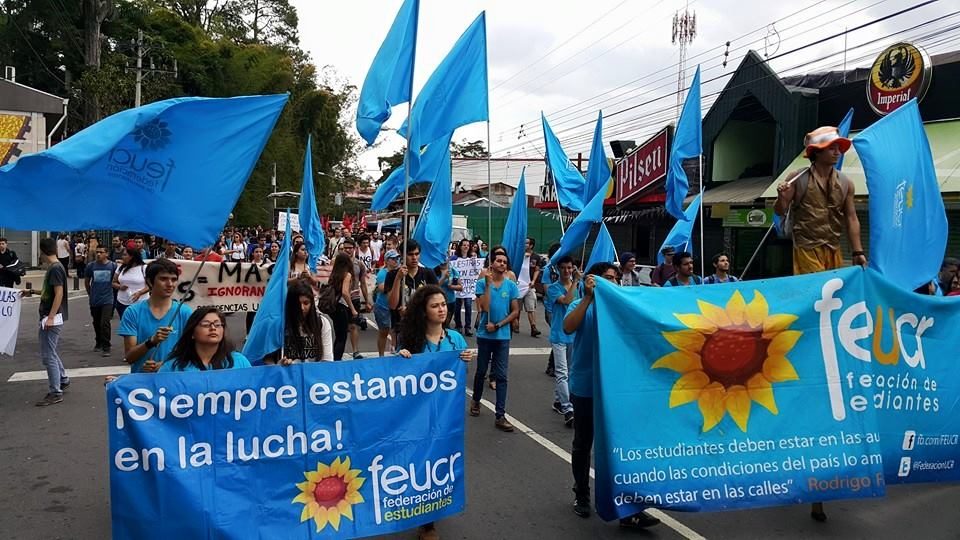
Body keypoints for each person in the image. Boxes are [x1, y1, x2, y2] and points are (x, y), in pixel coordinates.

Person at [563, 261, 661, 529]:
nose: (611, 283)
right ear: (591, 281)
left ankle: (629, 509)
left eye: (615, 279)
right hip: (586, 386)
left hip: (617, 389)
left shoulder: (622, 306)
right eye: (605, 278)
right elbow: (568, 327)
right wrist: (586, 297)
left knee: (621, 448)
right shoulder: (582, 304)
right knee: (584, 443)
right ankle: (582, 494)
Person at [393, 285, 473, 540]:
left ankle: (431, 514)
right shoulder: (411, 341)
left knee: (438, 464)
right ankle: (426, 522)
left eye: (443, 305)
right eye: (435, 305)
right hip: (417, 417)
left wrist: (464, 361)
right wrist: (401, 358)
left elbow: (459, 378)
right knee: (419, 464)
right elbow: (396, 379)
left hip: (446, 417)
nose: (441, 309)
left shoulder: (455, 340)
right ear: (423, 311)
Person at [775, 125, 867, 275]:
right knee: (816, 290)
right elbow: (779, 211)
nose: (838, 152)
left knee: (833, 291)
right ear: (817, 152)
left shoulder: (846, 183)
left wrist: (858, 252)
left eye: (839, 148)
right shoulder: (797, 178)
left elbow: (851, 218)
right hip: (807, 248)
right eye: (832, 148)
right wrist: (781, 197)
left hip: (833, 248)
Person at [469, 250, 520, 432]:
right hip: (485, 335)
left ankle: (500, 415)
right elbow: (484, 307)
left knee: (502, 376)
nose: (502, 264)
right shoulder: (482, 284)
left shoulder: (511, 286)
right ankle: (476, 400)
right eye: (498, 261)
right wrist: (489, 285)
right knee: (481, 370)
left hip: (502, 336)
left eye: (504, 262)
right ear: (492, 264)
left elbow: (515, 311)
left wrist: (498, 325)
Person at [118, 259, 194, 373]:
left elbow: (193, 352)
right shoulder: (133, 312)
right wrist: (151, 342)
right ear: (149, 281)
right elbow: (130, 357)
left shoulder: (185, 312)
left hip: (176, 383)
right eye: (163, 279)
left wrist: (165, 365)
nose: (170, 284)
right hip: (143, 383)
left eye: (174, 280)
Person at [31, 238, 70, 406]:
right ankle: (62, 378)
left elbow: (59, 294)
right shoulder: (56, 267)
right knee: (51, 350)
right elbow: (50, 292)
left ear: (42, 251)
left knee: (48, 355)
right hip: (51, 316)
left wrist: (51, 317)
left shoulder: (55, 268)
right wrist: (31, 291)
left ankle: (55, 391)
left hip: (51, 317)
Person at [159, 307, 252, 371]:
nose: (213, 328)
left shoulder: (239, 362)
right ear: (192, 333)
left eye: (217, 325)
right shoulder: (173, 367)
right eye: (206, 325)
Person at [545, 255, 579, 427]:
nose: (567, 271)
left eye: (569, 267)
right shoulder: (553, 288)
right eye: (564, 268)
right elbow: (567, 301)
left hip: (574, 335)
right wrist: (575, 283)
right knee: (562, 373)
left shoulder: (578, 287)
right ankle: (568, 409)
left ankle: (559, 401)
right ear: (558, 270)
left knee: (571, 372)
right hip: (559, 335)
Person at [264, 281, 334, 364]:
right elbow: (268, 359)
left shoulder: (322, 323)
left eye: (306, 303)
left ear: (312, 303)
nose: (302, 308)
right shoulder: (278, 324)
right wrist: (278, 367)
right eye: (297, 304)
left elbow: (327, 360)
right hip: (286, 375)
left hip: (314, 375)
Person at [386, 239, 439, 330]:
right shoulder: (392, 275)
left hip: (424, 325)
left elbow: (436, 301)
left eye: (417, 254)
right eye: (410, 254)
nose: (414, 258)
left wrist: (412, 310)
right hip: (401, 326)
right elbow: (392, 304)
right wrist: (398, 278)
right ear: (402, 255)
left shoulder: (428, 273)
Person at [340, 238, 372, 359]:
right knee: (342, 328)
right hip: (340, 299)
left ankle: (355, 351)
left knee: (353, 326)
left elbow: (363, 283)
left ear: (354, 249)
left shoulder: (359, 264)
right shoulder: (338, 263)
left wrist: (367, 301)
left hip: (355, 298)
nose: (347, 250)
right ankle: (338, 352)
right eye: (345, 248)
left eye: (350, 248)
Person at [85, 246, 117, 357]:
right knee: (96, 322)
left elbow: (116, 280)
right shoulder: (91, 266)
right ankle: (98, 341)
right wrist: (90, 294)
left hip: (108, 299)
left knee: (105, 323)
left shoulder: (113, 266)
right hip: (95, 299)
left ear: (106, 254)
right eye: (97, 252)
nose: (98, 254)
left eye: (101, 252)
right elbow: (87, 282)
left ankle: (106, 345)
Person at [326, 253, 357, 361]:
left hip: (334, 307)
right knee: (342, 337)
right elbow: (345, 292)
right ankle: (337, 360)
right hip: (342, 306)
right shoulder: (347, 275)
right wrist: (352, 308)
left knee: (338, 335)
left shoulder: (334, 274)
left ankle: (334, 358)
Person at [374, 250, 401, 356]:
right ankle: (381, 354)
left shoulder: (398, 272)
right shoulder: (383, 273)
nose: (396, 261)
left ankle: (394, 349)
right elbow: (382, 288)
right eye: (393, 259)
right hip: (383, 306)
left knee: (395, 330)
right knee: (384, 331)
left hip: (394, 306)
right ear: (387, 260)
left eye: (397, 258)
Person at [515, 237, 543, 337]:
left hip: (529, 286)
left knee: (531, 307)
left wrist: (533, 281)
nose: (525, 245)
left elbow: (537, 270)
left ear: (531, 245)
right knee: (517, 307)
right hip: (518, 285)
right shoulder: (518, 255)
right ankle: (515, 324)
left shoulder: (536, 257)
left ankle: (533, 327)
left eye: (527, 243)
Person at [113, 247, 149, 319]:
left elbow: (150, 285)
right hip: (122, 302)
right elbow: (113, 282)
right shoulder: (120, 267)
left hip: (140, 303)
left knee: (139, 325)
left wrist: (139, 293)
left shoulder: (144, 268)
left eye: (125, 255)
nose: (122, 257)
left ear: (132, 257)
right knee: (126, 326)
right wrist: (120, 287)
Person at [450, 239, 475, 336]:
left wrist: (473, 261)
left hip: (468, 288)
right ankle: (458, 325)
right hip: (457, 286)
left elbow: (475, 271)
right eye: (464, 245)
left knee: (468, 306)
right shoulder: (454, 259)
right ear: (460, 246)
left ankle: (468, 327)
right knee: (457, 307)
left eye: (467, 245)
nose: (466, 247)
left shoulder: (471, 259)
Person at [435, 261, 462, 328]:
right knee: (438, 323)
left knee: (446, 323)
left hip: (450, 301)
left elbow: (461, 287)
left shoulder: (453, 271)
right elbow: (434, 286)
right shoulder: (434, 270)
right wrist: (444, 278)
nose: (443, 261)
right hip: (437, 301)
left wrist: (452, 286)